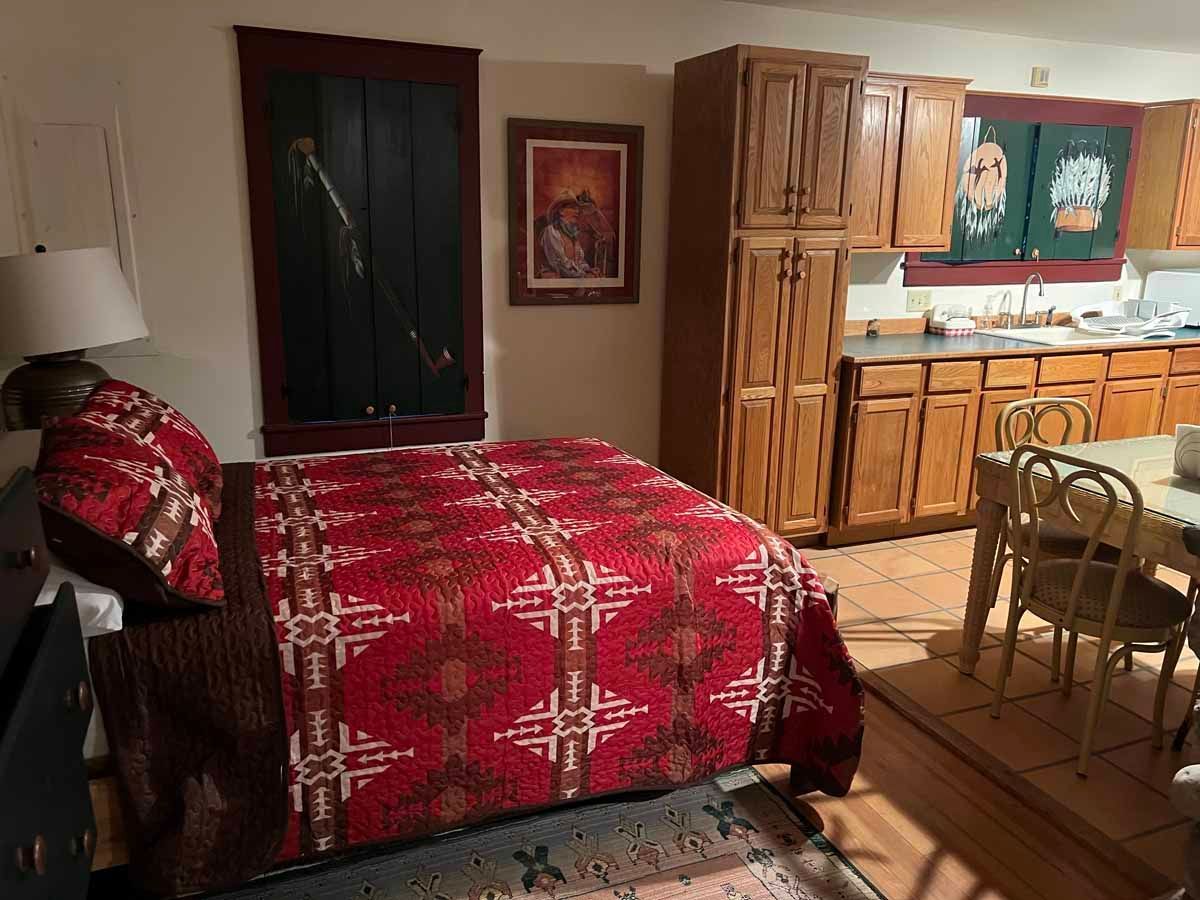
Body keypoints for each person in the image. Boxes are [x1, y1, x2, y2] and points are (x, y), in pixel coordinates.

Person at [539, 190, 601, 278]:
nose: (577, 211)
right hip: (554, 285)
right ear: (561, 211)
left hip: (572, 282)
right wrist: (584, 275)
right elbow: (560, 266)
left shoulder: (573, 235)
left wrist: (588, 269)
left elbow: (580, 262)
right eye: (572, 208)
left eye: (577, 208)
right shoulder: (551, 232)